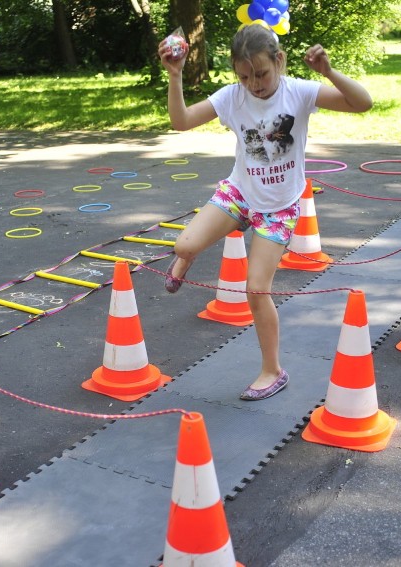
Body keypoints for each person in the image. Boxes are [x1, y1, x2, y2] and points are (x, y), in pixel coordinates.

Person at [158, 24, 372, 400]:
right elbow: (181, 121)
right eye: (244, 76)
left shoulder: (299, 92)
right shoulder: (231, 97)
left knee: (256, 289)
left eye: (261, 74)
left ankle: (272, 370)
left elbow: (363, 102)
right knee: (183, 245)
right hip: (240, 193)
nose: (254, 84)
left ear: (280, 61)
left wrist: (329, 72)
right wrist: (175, 75)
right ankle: (185, 259)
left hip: (278, 209)